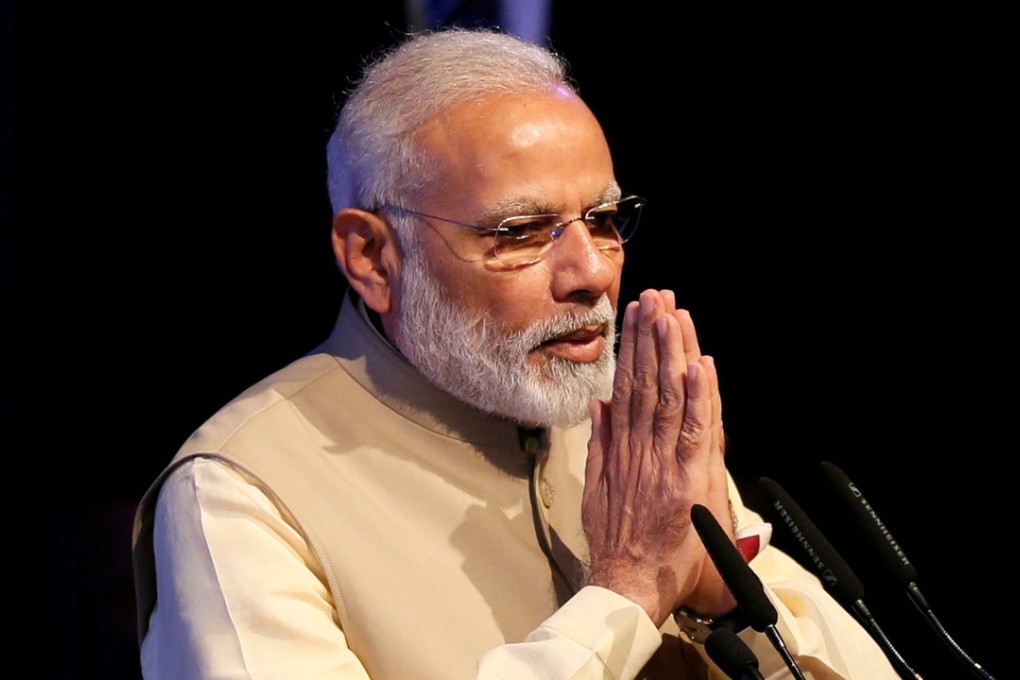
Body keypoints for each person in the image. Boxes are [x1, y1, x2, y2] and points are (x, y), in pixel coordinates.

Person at [131, 27, 898, 679]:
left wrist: (728, 587)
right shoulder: (241, 493)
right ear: (371, 255)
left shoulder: (625, 433)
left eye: (603, 219)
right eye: (521, 231)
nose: (593, 272)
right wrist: (626, 594)